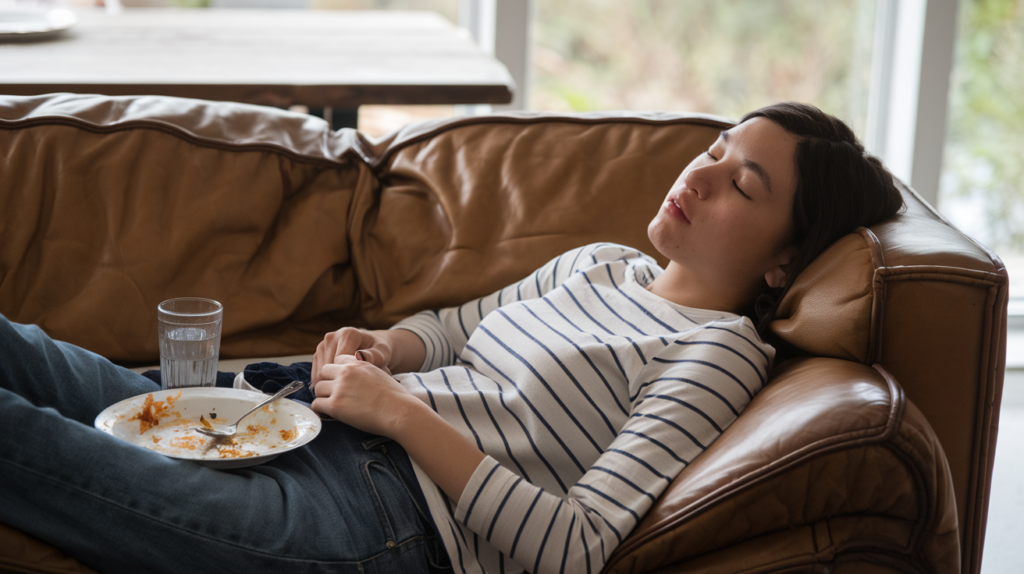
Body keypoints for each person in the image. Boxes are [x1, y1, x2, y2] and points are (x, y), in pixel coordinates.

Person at [0, 102, 904, 574]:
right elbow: (453, 329)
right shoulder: (600, 264)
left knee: (23, 440)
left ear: (785, 261)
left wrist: (396, 414)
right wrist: (386, 346)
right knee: (26, 354)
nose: (700, 178)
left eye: (742, 186)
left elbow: (576, 546)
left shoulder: (717, 356)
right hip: (303, 421)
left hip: (384, 529)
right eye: (714, 149)